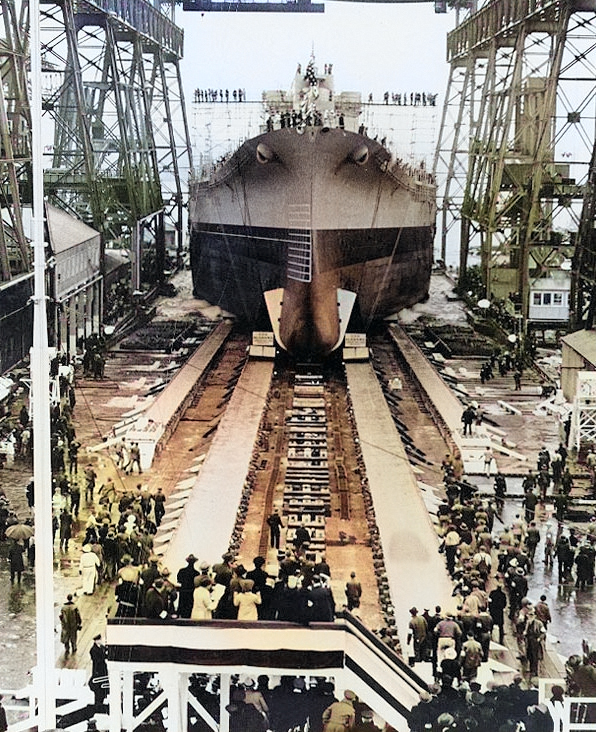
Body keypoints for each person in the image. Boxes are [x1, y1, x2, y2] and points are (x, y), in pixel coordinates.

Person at [177, 554, 200, 618]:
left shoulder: (182, 571)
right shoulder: (196, 573)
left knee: (182, 607)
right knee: (189, 607)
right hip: (191, 592)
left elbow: (179, 580)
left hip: (183, 591)